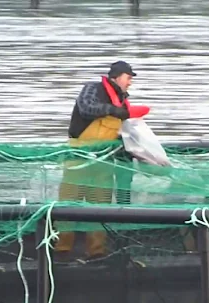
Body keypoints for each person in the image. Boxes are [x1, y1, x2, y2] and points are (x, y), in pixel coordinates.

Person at [55, 61, 150, 261]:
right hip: (78, 159)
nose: (130, 82)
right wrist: (115, 111)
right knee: (68, 204)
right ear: (116, 76)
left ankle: (96, 253)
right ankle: (61, 251)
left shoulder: (123, 101)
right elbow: (86, 108)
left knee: (100, 208)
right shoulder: (93, 89)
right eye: (128, 77)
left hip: (104, 162)